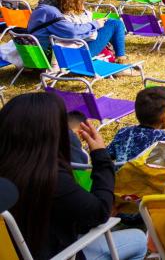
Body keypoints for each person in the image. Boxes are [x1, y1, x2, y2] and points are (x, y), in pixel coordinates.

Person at [0, 93, 149, 260]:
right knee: (139, 239)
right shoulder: (50, 178)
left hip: (14, 250)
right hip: (57, 254)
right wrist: (100, 156)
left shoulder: (11, 168)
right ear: (52, 132)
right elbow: (100, 213)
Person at [27, 0, 128, 61]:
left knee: (110, 23)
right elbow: (73, 32)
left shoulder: (42, 9)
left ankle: (120, 56)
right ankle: (121, 58)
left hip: (46, 53)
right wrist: (95, 25)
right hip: (67, 56)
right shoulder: (52, 13)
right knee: (115, 24)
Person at [106, 87, 165, 163]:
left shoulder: (123, 132)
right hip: (147, 171)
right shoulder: (164, 138)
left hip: (122, 170)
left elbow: (107, 155)